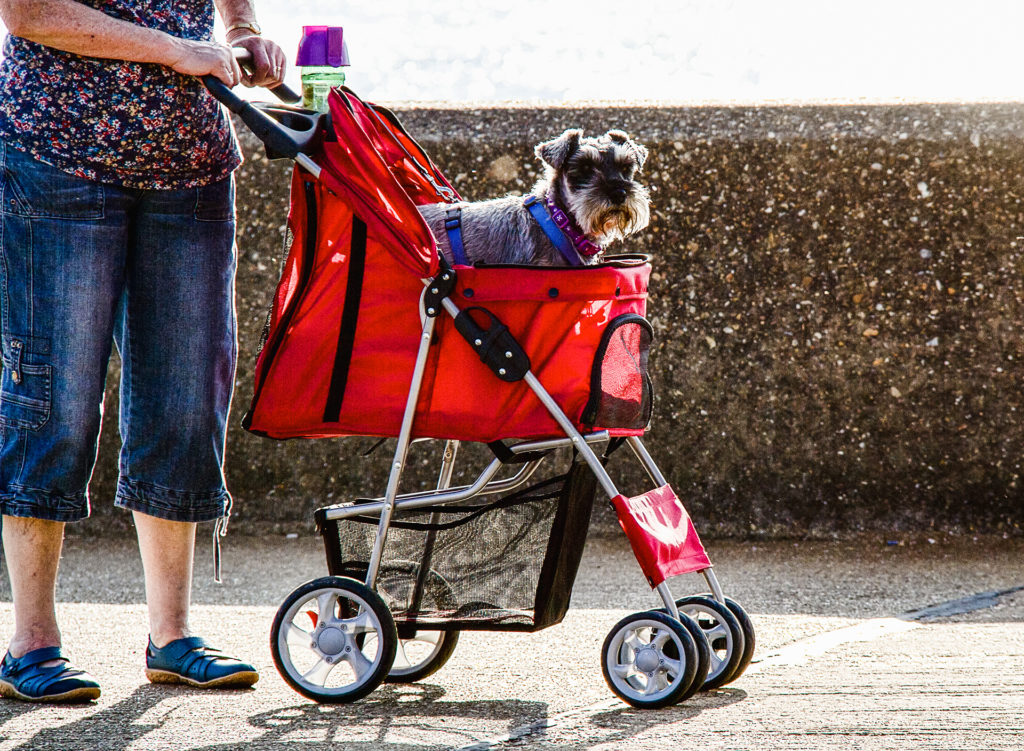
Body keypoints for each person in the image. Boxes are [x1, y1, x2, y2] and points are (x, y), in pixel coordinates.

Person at [0, 0, 286, 702]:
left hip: (190, 168)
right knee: (53, 401)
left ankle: (174, 636)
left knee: (186, 402)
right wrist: (172, 49)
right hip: (55, 157)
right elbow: (27, 10)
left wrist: (244, 34)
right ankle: (31, 643)